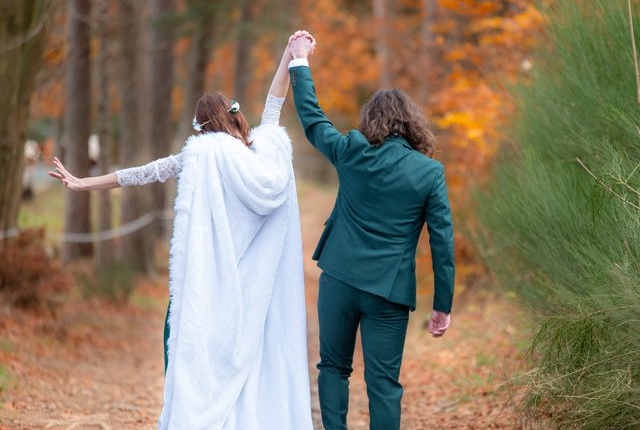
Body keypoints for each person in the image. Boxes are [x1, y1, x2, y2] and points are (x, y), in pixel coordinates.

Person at [49, 41, 314, 430]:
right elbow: (274, 104)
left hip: (210, 282)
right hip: (254, 285)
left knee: (187, 345)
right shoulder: (264, 152)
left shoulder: (198, 155)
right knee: (247, 358)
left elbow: (142, 173)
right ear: (235, 116)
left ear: (200, 127)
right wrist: (290, 57)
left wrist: (83, 182)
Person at [287, 30, 455, 430]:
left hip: (340, 280)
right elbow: (442, 241)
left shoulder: (351, 151)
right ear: (413, 125)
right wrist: (442, 304)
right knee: (383, 383)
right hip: (390, 292)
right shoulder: (430, 173)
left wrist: (300, 60)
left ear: (371, 120)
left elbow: (312, 118)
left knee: (333, 368)